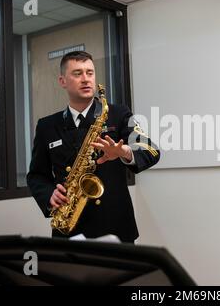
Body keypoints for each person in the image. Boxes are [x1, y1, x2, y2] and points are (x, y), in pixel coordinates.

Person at [27, 51, 160, 243]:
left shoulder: (119, 113)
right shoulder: (47, 126)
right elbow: (36, 175)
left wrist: (124, 152)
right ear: (62, 81)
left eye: (90, 73)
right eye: (77, 73)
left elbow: (151, 150)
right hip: (69, 228)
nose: (85, 79)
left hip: (115, 226)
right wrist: (49, 195)